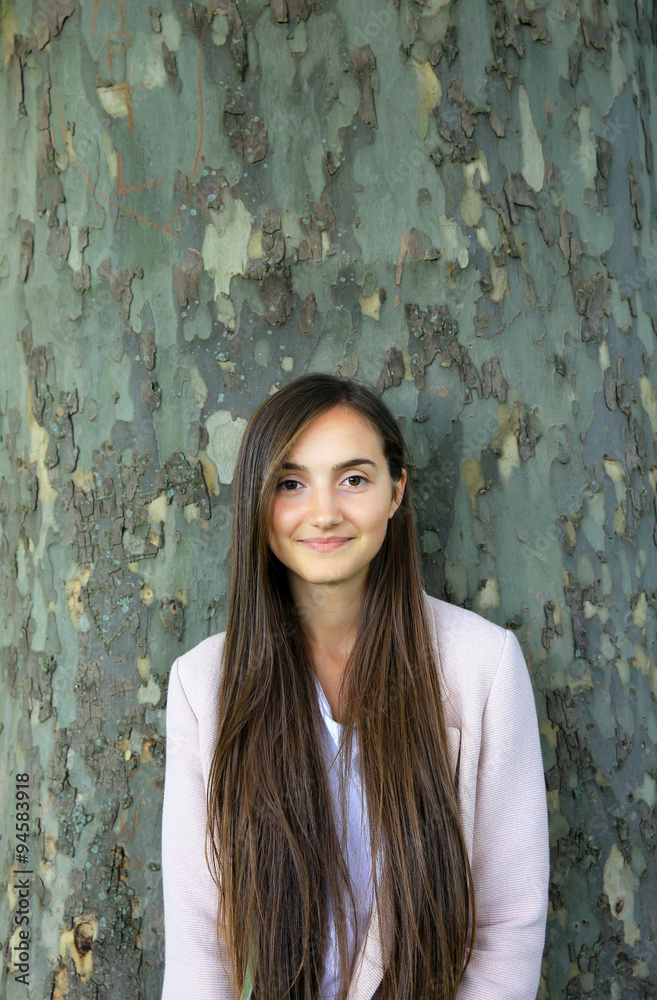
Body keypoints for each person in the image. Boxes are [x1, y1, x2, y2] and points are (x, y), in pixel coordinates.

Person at [160, 372, 550, 1000]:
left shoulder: (482, 665)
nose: (324, 513)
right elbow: (199, 947)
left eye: (353, 479)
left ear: (396, 492)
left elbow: (507, 926)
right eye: (291, 483)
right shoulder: (203, 685)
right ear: (258, 503)